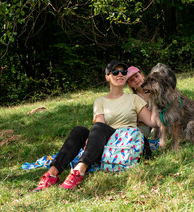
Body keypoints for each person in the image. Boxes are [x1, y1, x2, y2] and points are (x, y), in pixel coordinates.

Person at [34, 60, 158, 191]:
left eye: (123, 72)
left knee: (98, 128)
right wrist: (92, 138)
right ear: (107, 77)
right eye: (115, 72)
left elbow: (152, 122)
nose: (120, 74)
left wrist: (156, 99)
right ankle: (52, 174)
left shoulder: (134, 99)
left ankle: (79, 171)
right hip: (107, 144)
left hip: (126, 142)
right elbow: (100, 123)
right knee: (79, 130)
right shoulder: (100, 101)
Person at [126, 66, 152, 137]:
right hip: (143, 124)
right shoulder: (134, 98)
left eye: (137, 76)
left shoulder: (153, 90)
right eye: (131, 80)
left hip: (158, 120)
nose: (136, 80)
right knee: (140, 136)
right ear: (130, 85)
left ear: (142, 76)